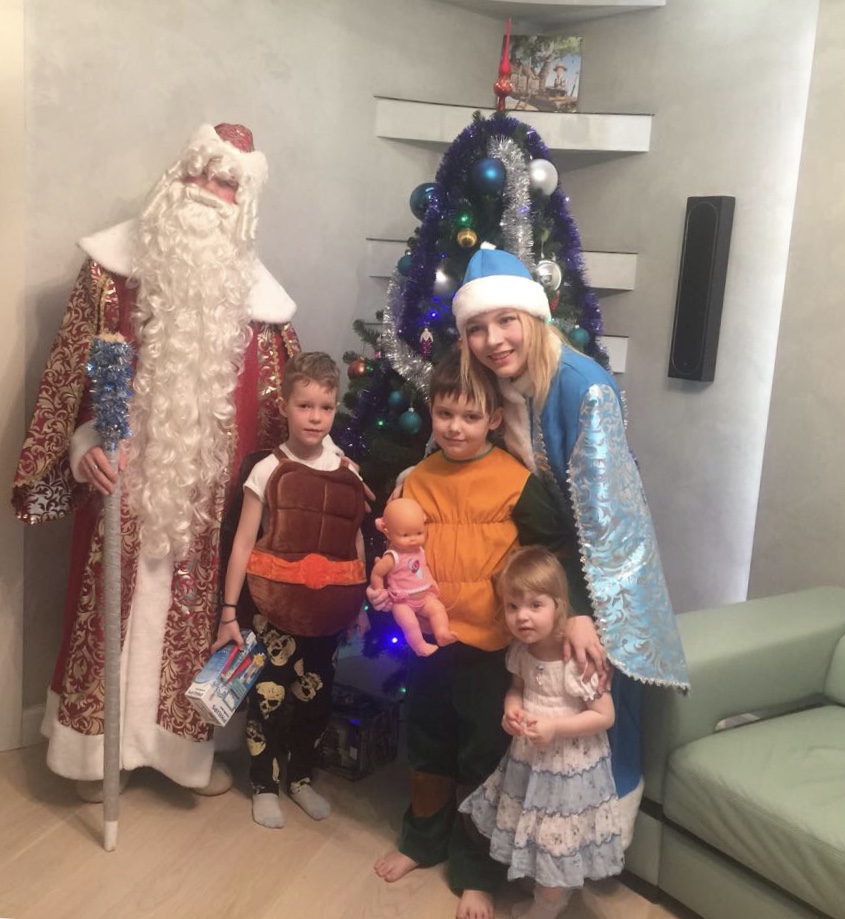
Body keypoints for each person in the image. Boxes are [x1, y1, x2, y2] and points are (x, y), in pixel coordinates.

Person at [12, 123, 302, 800]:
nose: (207, 190)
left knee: (195, 623)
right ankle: (95, 756)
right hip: (120, 486)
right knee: (106, 614)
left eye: (226, 183)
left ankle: (180, 755)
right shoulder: (107, 275)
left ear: (242, 204)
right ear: (176, 176)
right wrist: (81, 449)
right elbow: (67, 381)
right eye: (200, 172)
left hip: (204, 506)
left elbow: (277, 424)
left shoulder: (264, 314)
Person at [452, 245, 689, 847]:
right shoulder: (493, 385)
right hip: (541, 574)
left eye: (506, 320)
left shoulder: (584, 389)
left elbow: (608, 526)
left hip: (599, 577)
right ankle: (535, 841)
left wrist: (581, 612)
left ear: (533, 316)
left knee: (592, 697)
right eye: (477, 328)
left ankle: (587, 847)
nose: (493, 340)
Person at [371, 350, 566, 919]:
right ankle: (421, 841)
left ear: (494, 419)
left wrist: (528, 605)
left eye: (470, 416)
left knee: (485, 756)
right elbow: (397, 551)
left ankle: (477, 871)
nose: (455, 427)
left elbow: (551, 547)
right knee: (428, 743)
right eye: (444, 414)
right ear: (431, 412)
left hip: (489, 648)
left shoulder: (515, 481)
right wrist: (384, 592)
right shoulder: (417, 480)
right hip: (429, 644)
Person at [214, 351, 368, 829]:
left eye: (325, 407)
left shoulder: (348, 471)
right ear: (284, 406)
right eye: (304, 406)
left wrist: (357, 603)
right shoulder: (267, 469)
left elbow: (353, 540)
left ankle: (300, 778)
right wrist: (228, 612)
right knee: (268, 698)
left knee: (315, 701)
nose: (315, 417)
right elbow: (243, 543)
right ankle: (264, 784)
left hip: (327, 611)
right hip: (272, 608)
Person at [460, 546, 623, 919]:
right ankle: (548, 892)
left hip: (568, 769)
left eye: (535, 605)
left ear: (559, 606)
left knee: (555, 839)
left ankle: (546, 906)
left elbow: (605, 715)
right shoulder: (522, 650)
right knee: (532, 829)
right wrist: (511, 710)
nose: (523, 616)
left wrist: (555, 727)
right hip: (530, 759)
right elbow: (517, 688)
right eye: (513, 606)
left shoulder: (576, 659)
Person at [369, 496, 455, 656]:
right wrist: (379, 590)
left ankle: (442, 633)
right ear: (388, 532)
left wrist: (430, 582)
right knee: (410, 624)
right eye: (405, 535)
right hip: (403, 602)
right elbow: (377, 573)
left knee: (438, 609)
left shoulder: (420, 550)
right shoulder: (392, 557)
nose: (413, 539)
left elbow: (423, 568)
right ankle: (419, 646)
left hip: (424, 597)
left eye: (419, 532)